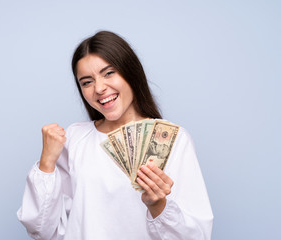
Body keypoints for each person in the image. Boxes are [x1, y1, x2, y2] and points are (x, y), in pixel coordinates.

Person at [17, 31, 213, 239]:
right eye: (87, 82)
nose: (99, 88)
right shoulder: (75, 138)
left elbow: (196, 236)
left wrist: (158, 206)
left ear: (130, 72)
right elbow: (43, 230)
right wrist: (46, 164)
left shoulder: (174, 140)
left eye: (109, 73)